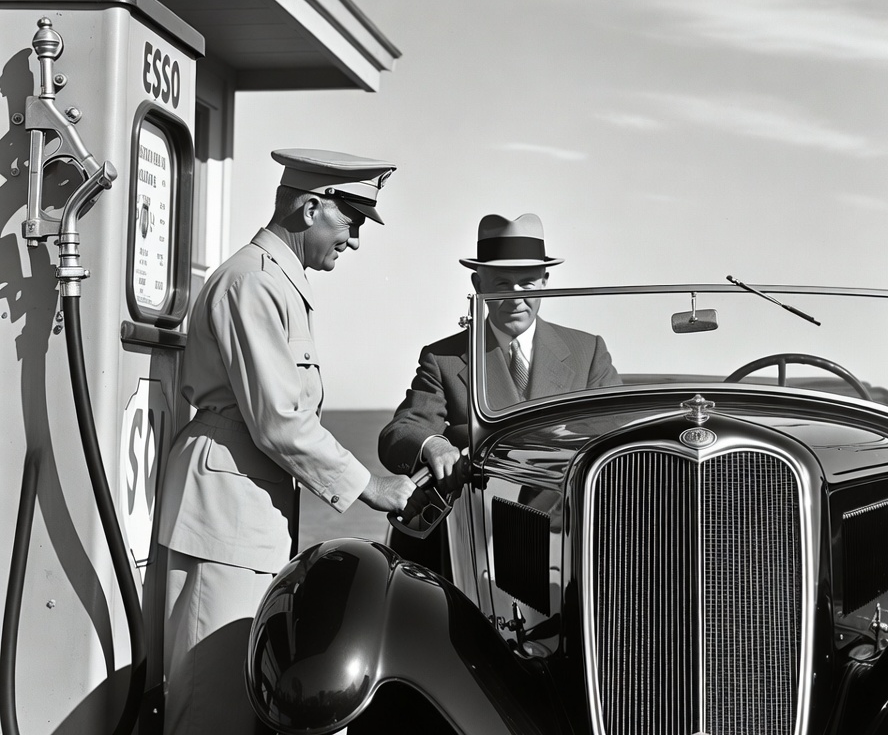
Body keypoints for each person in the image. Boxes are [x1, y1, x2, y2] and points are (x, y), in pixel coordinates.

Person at [157, 148, 425, 735]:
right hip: (224, 515)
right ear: (310, 208)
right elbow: (280, 421)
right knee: (213, 705)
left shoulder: (277, 282)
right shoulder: (254, 283)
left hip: (244, 511)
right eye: (351, 221)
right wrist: (369, 486)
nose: (354, 240)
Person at [379, 212, 621, 496]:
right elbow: (402, 430)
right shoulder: (443, 357)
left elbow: (613, 427)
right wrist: (434, 444)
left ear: (545, 282)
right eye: (502, 285)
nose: (516, 297)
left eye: (527, 283)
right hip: (483, 519)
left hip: (565, 518)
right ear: (478, 286)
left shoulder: (588, 350)